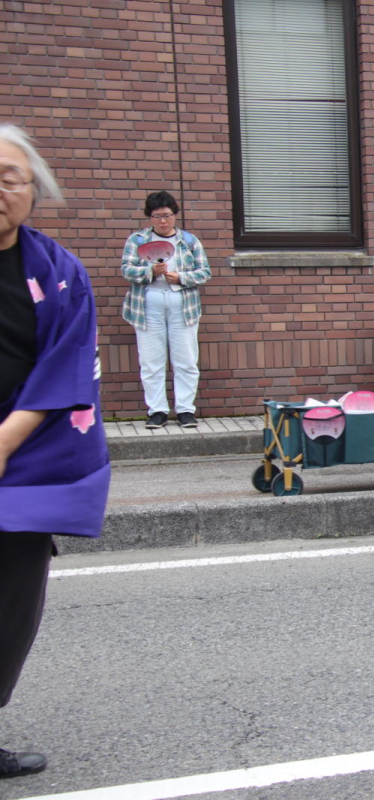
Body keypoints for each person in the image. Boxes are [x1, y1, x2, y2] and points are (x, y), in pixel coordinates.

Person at [0, 123, 110, 778]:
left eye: (9, 178)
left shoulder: (59, 272)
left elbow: (67, 366)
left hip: (26, 462)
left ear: (32, 190)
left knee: (10, 610)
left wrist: (5, 440)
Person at [120, 191, 212, 429]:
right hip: (147, 304)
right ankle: (157, 411)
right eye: (157, 216)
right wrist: (150, 272)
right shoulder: (137, 240)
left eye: (167, 215)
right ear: (149, 217)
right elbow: (126, 270)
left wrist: (181, 277)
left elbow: (204, 272)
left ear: (175, 215)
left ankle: (185, 410)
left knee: (186, 360)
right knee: (151, 361)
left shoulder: (189, 240)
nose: (163, 221)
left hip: (183, 304)